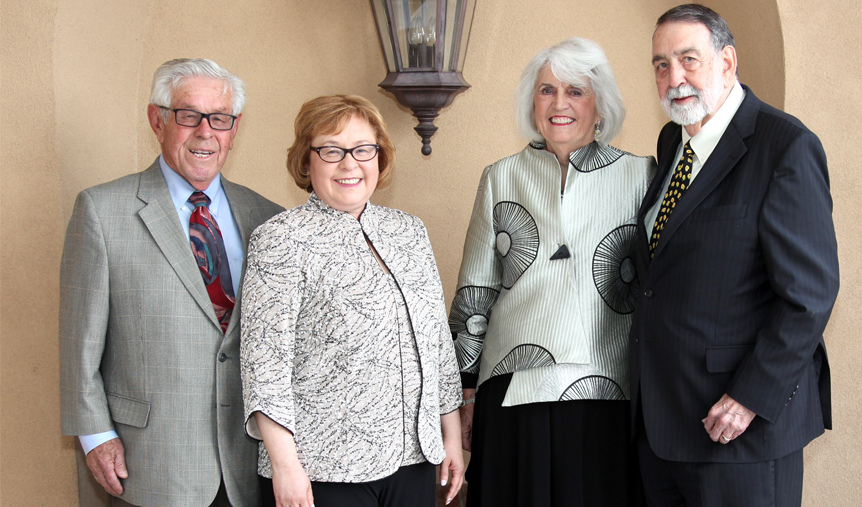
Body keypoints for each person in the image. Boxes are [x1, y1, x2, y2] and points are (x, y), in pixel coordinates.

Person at [629, 5, 840, 507]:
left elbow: (808, 298)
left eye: (688, 59)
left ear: (727, 61)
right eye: (661, 64)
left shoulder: (785, 147)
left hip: (736, 430)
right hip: (662, 426)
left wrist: (749, 397)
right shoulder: (671, 141)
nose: (674, 77)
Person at [59, 58, 284, 507]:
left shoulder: (268, 218)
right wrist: (95, 436)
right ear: (156, 120)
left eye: (219, 118)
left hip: (250, 466)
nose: (205, 132)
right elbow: (78, 343)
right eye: (188, 115)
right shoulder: (102, 212)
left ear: (234, 129)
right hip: (147, 465)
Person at [450, 37, 655, 506]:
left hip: (609, 389)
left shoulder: (643, 176)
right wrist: (464, 394)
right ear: (531, 102)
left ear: (600, 104)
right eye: (546, 90)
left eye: (576, 91)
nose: (559, 104)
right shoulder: (499, 176)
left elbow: (658, 287)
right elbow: (474, 293)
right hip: (511, 390)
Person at [239, 94, 464, 507]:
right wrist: (285, 466)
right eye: (331, 150)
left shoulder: (409, 232)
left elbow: (436, 344)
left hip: (413, 460)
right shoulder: (280, 240)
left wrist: (450, 435)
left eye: (363, 149)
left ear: (379, 157)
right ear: (307, 161)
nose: (349, 163)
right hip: (322, 471)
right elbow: (264, 366)